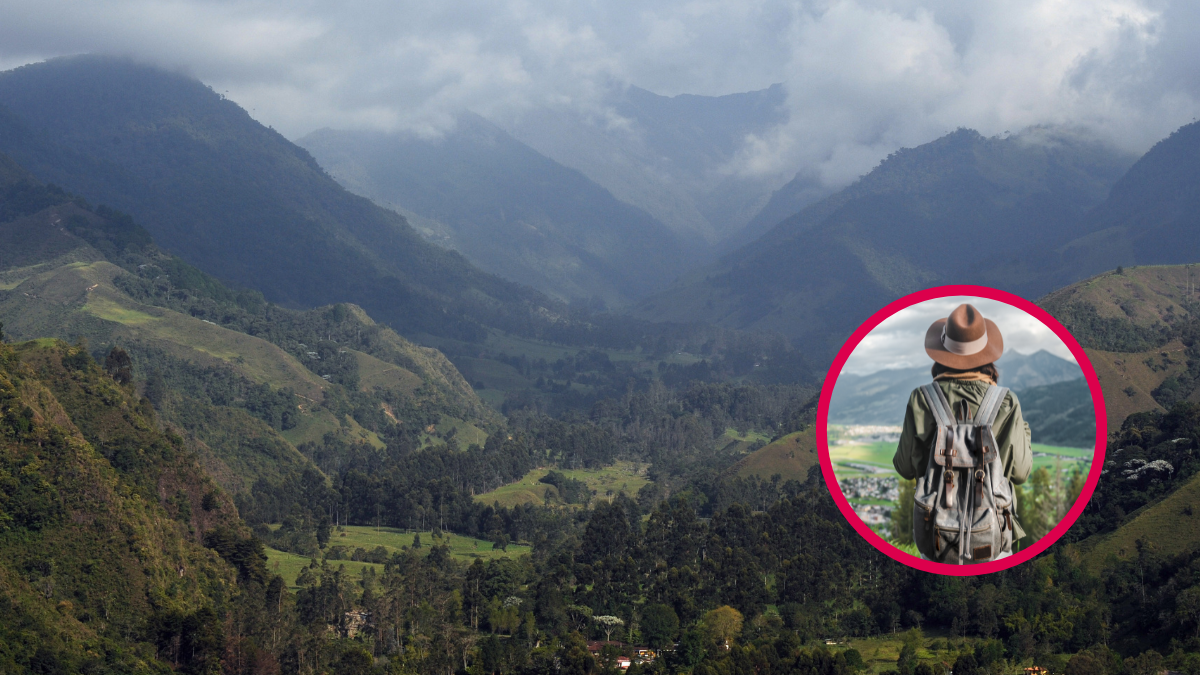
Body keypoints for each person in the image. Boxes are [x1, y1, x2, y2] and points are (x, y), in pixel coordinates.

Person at [892, 303, 1032, 561]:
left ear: (941, 353)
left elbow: (904, 467)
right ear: (986, 354)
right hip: (993, 542)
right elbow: (1021, 473)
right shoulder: (1006, 402)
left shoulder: (921, 399)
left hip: (935, 539)